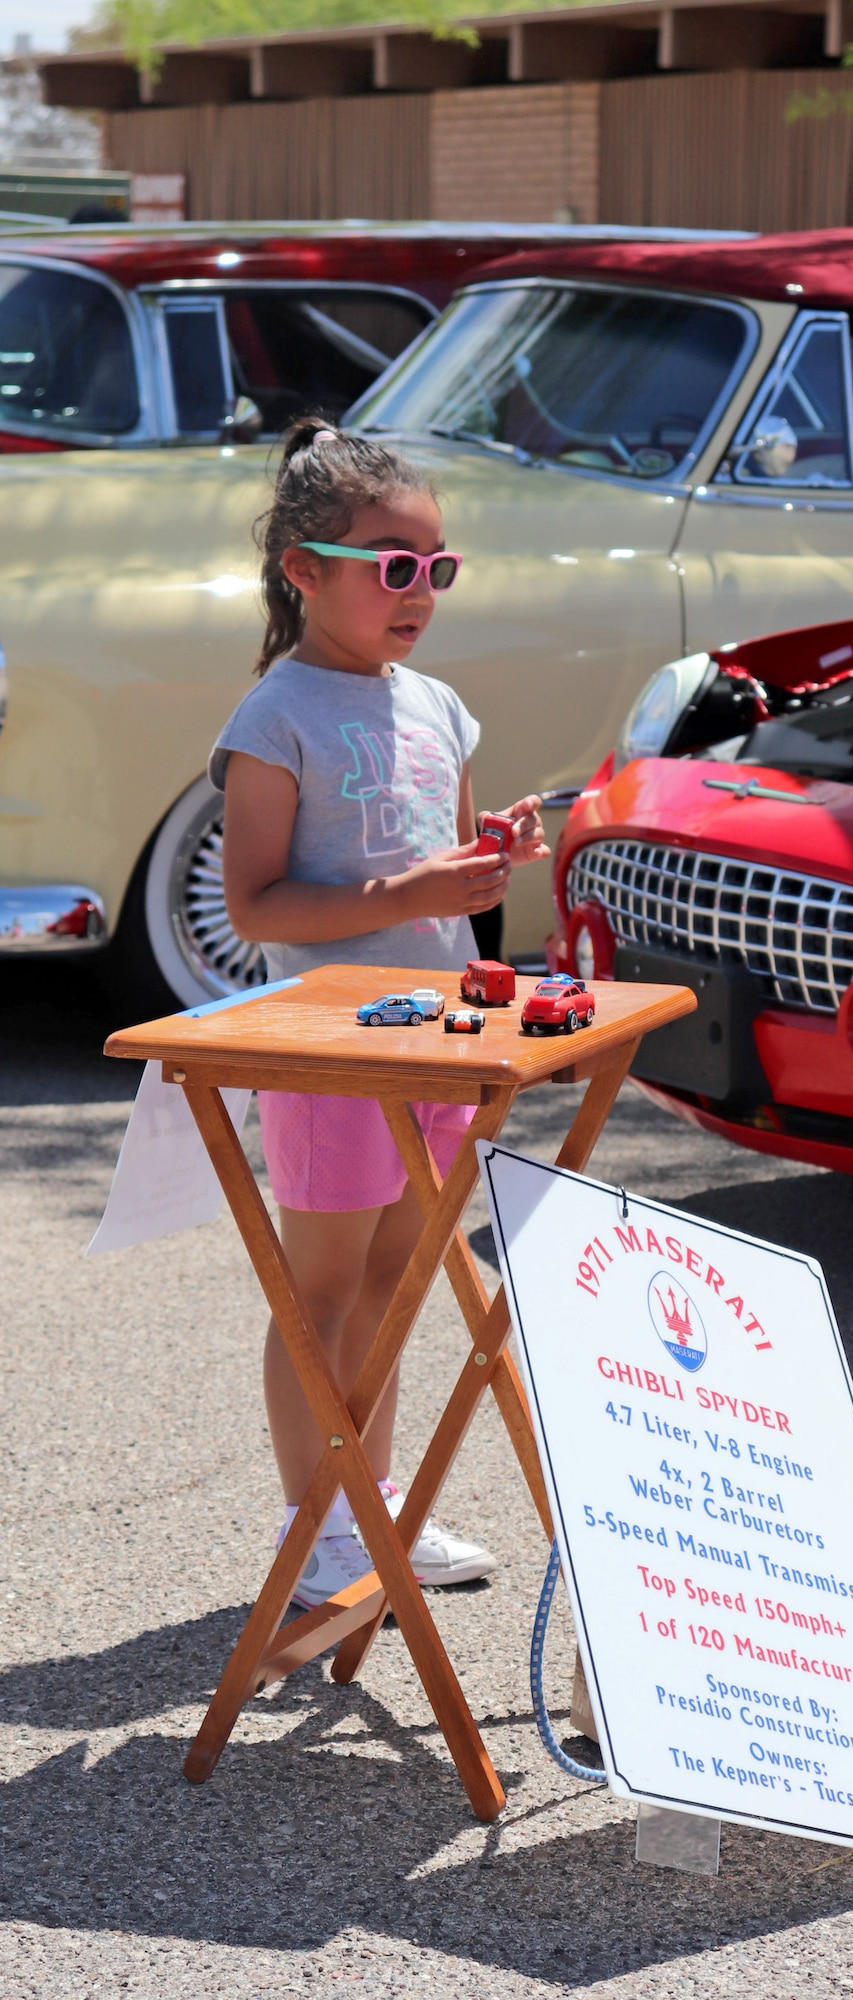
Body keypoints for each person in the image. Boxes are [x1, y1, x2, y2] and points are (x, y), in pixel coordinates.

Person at [209, 419, 548, 1610]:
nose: (421, 592)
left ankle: (376, 1495)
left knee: (405, 1279)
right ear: (305, 569)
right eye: (392, 565)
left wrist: (488, 861)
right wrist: (411, 890)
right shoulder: (274, 717)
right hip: (328, 1050)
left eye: (436, 567)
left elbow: (442, 868)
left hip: (436, 1038)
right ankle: (318, 1528)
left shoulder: (440, 707)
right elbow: (255, 905)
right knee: (323, 1295)